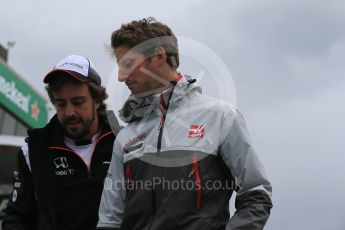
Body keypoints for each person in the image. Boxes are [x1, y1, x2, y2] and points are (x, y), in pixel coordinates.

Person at [97, 18, 273, 230]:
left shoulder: (221, 116)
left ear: (159, 57)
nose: (120, 77)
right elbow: (109, 221)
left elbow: (256, 194)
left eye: (127, 64)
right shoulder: (126, 136)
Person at [2, 55, 120, 230]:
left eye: (77, 102)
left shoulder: (123, 142)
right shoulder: (33, 151)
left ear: (96, 101)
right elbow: (17, 216)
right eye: (61, 104)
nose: (69, 112)